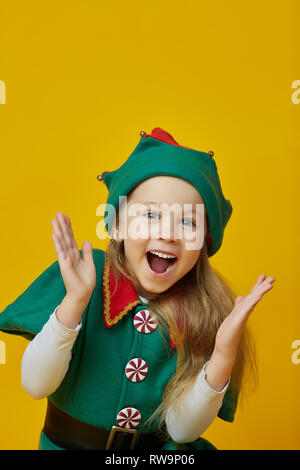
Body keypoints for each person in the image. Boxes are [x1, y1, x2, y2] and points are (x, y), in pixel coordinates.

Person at [0, 127, 275, 450]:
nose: (168, 234)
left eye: (188, 222)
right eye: (151, 214)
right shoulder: (84, 277)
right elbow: (35, 384)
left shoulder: (204, 311)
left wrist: (222, 354)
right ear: (116, 224)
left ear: (204, 242)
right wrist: (73, 304)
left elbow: (182, 430)